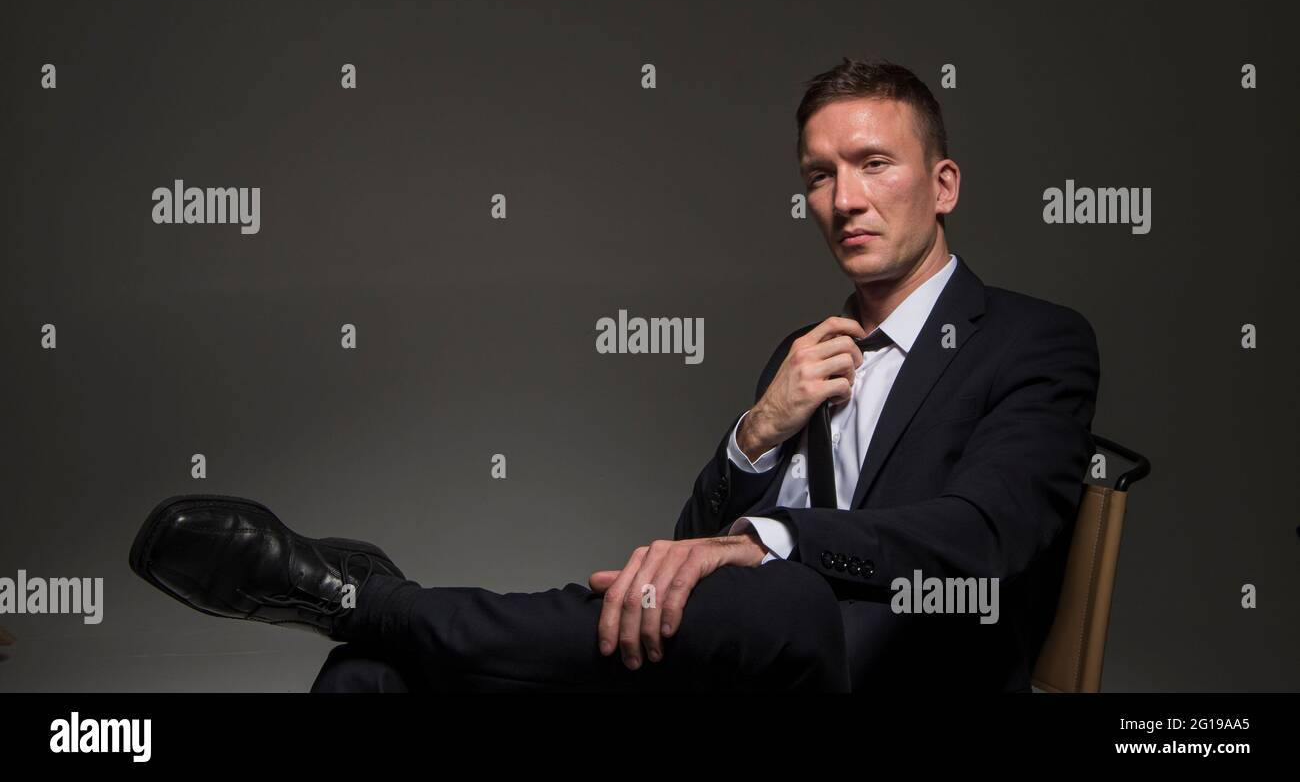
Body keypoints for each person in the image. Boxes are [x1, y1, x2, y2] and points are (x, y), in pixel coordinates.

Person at [128, 57, 1099, 692]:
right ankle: (368, 615)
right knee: (363, 681)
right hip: (731, 676)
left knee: (783, 589)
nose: (841, 198)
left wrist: (768, 538)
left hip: (906, 670)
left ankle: (369, 593)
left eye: (873, 163)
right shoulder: (799, 354)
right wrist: (754, 433)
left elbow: (983, 537)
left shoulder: (1031, 339)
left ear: (942, 184)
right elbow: (684, 563)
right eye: (816, 172)